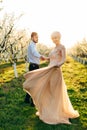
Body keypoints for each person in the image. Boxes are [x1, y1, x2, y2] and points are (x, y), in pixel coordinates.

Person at [23, 31, 79, 124]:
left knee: (55, 91)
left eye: (55, 38)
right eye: (53, 38)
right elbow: (52, 58)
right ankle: (49, 110)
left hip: (56, 71)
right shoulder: (54, 48)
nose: (54, 40)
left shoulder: (62, 47)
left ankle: (57, 112)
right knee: (48, 89)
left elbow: (63, 59)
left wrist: (58, 65)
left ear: (59, 37)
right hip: (50, 70)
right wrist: (46, 58)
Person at [24, 32, 46, 106]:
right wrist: (40, 56)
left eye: (37, 37)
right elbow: (34, 53)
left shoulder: (33, 45)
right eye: (36, 37)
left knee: (32, 83)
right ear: (32, 38)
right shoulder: (32, 46)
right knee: (35, 85)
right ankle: (33, 102)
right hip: (34, 66)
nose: (37, 38)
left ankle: (27, 99)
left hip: (33, 65)